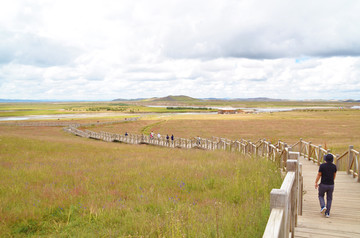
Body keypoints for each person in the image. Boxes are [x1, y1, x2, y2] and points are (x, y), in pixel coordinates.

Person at [315, 154, 337, 218]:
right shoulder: (334, 166)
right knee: (329, 198)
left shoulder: (322, 166)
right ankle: (327, 213)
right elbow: (334, 175)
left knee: (321, 195)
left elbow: (319, 174)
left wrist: (316, 182)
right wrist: (332, 181)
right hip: (331, 185)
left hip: (323, 184)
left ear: (325, 159)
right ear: (332, 160)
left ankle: (323, 206)